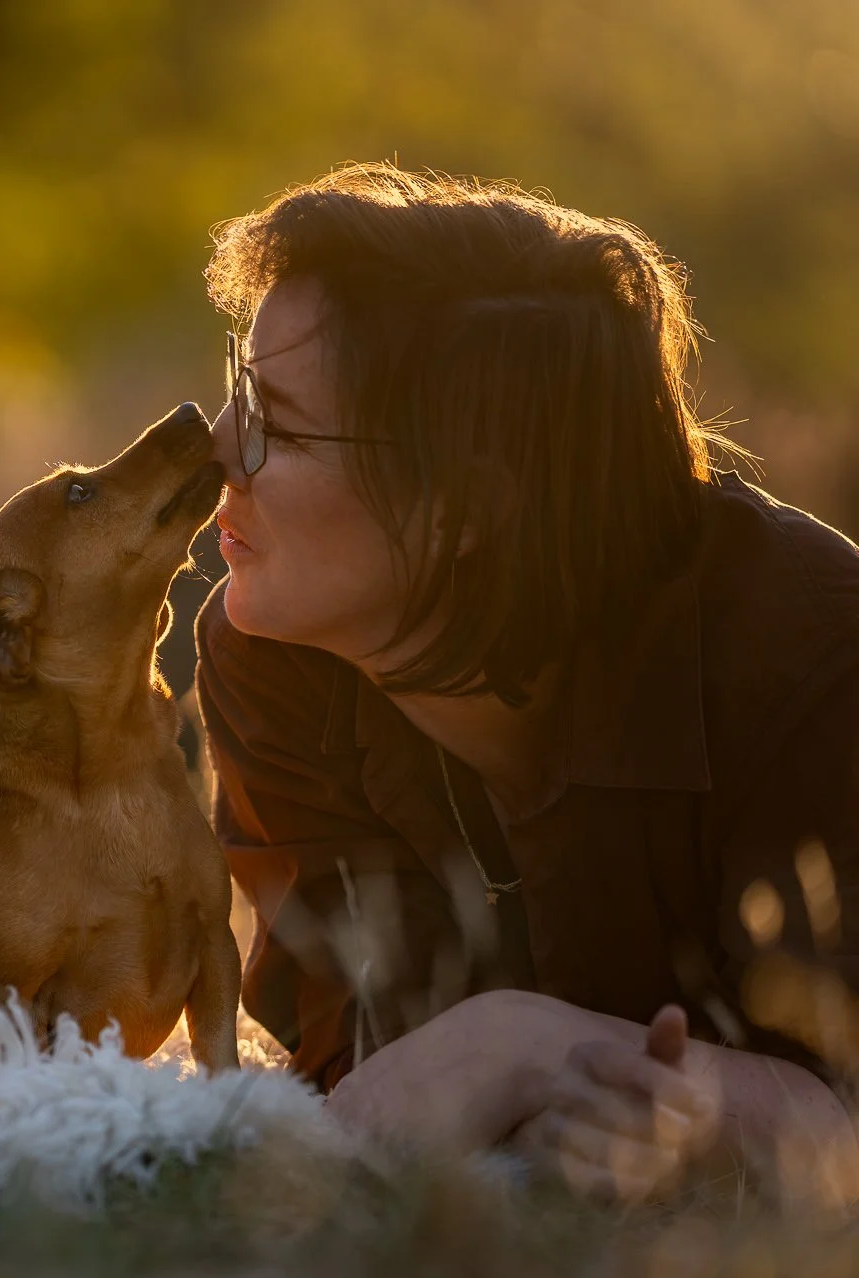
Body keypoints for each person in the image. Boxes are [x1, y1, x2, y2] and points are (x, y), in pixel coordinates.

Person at [194, 165, 859, 1206]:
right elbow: (363, 1090)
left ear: (467, 503)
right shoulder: (270, 656)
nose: (217, 450)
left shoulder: (813, 663)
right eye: (239, 386)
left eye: (276, 422)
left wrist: (530, 1045)